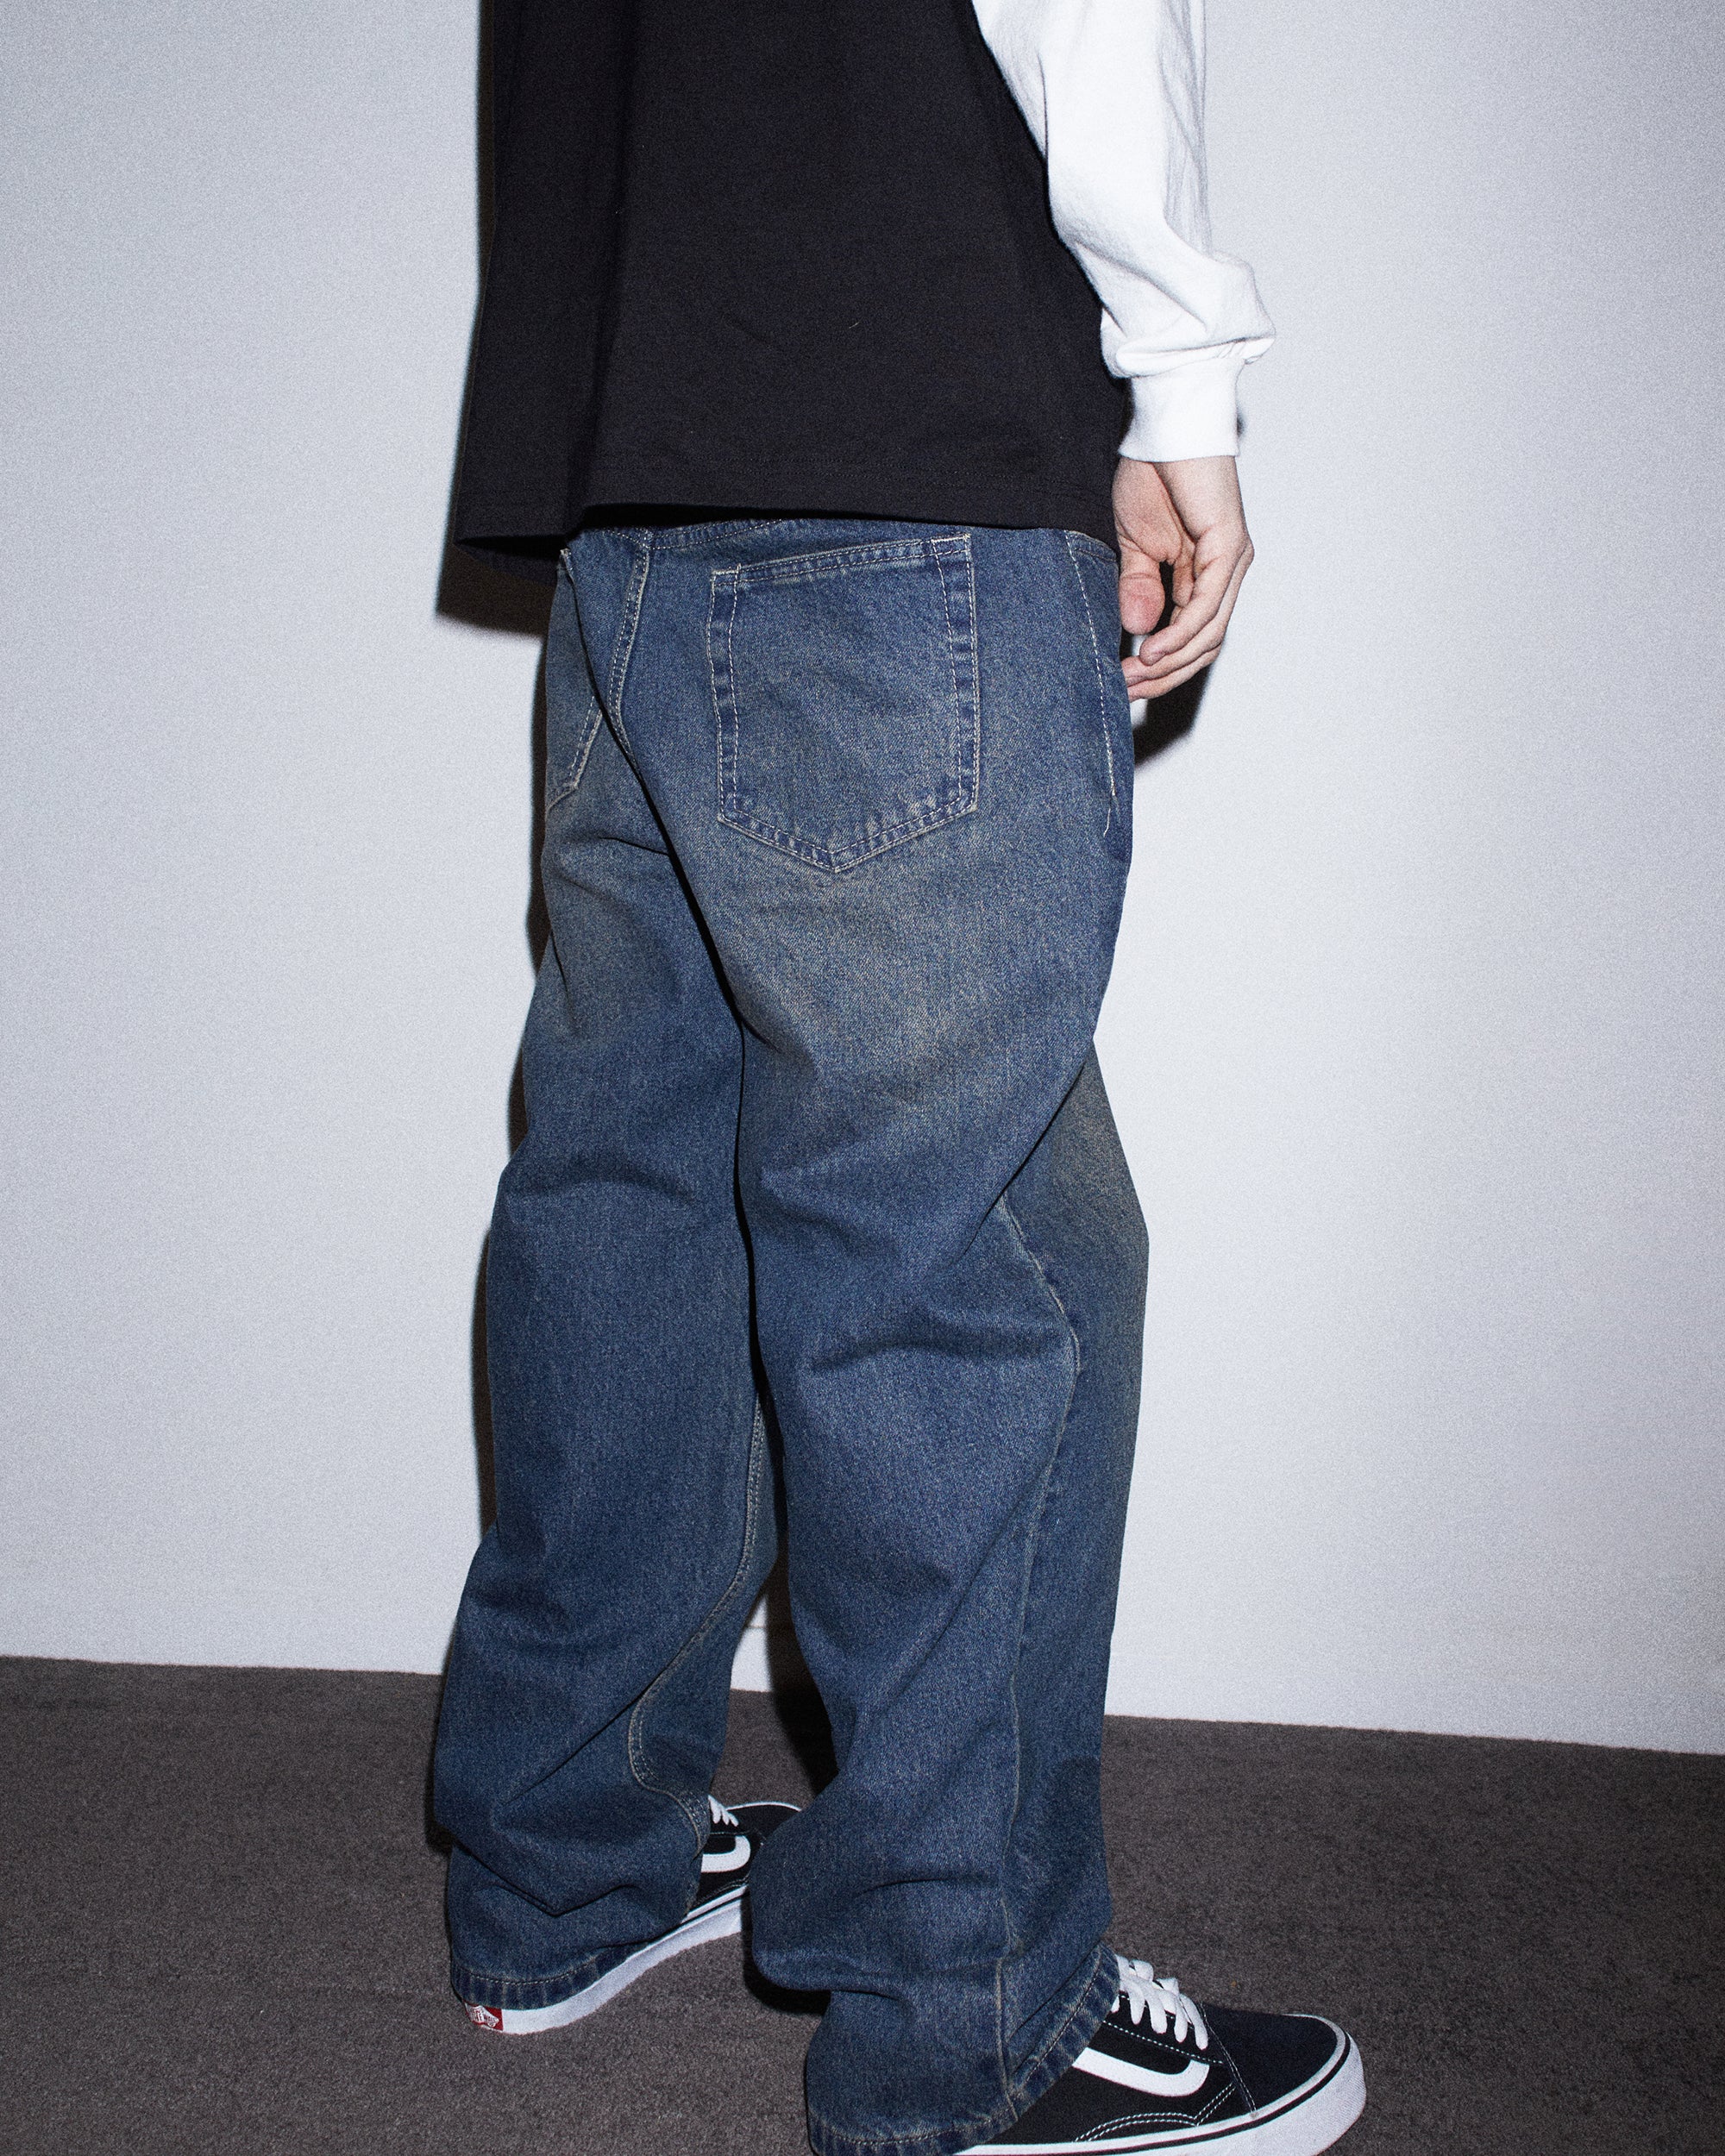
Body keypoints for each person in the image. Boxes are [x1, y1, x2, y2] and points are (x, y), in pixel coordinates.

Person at [431, 4, 1365, 2153]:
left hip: (625, 498)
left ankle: (562, 1872)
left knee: (637, 1204)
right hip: (905, 459)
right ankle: (973, 2022)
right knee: (975, 1263)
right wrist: (1181, 379)